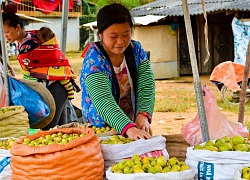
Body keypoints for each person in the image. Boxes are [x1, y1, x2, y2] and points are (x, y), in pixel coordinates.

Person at [80, 3, 155, 140]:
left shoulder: (136, 50)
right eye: (113, 36)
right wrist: (127, 128)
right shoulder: (94, 60)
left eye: (126, 34)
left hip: (132, 122)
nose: (120, 42)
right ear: (100, 34)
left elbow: (146, 85)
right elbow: (103, 100)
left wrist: (142, 116)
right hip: (101, 126)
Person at [2, 5, 79, 129]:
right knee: (61, 128)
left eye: (7, 32)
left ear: (17, 27)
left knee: (50, 129)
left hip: (55, 87)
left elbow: (39, 67)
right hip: (56, 87)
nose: (5, 36)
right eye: (2, 33)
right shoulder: (27, 40)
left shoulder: (29, 45)